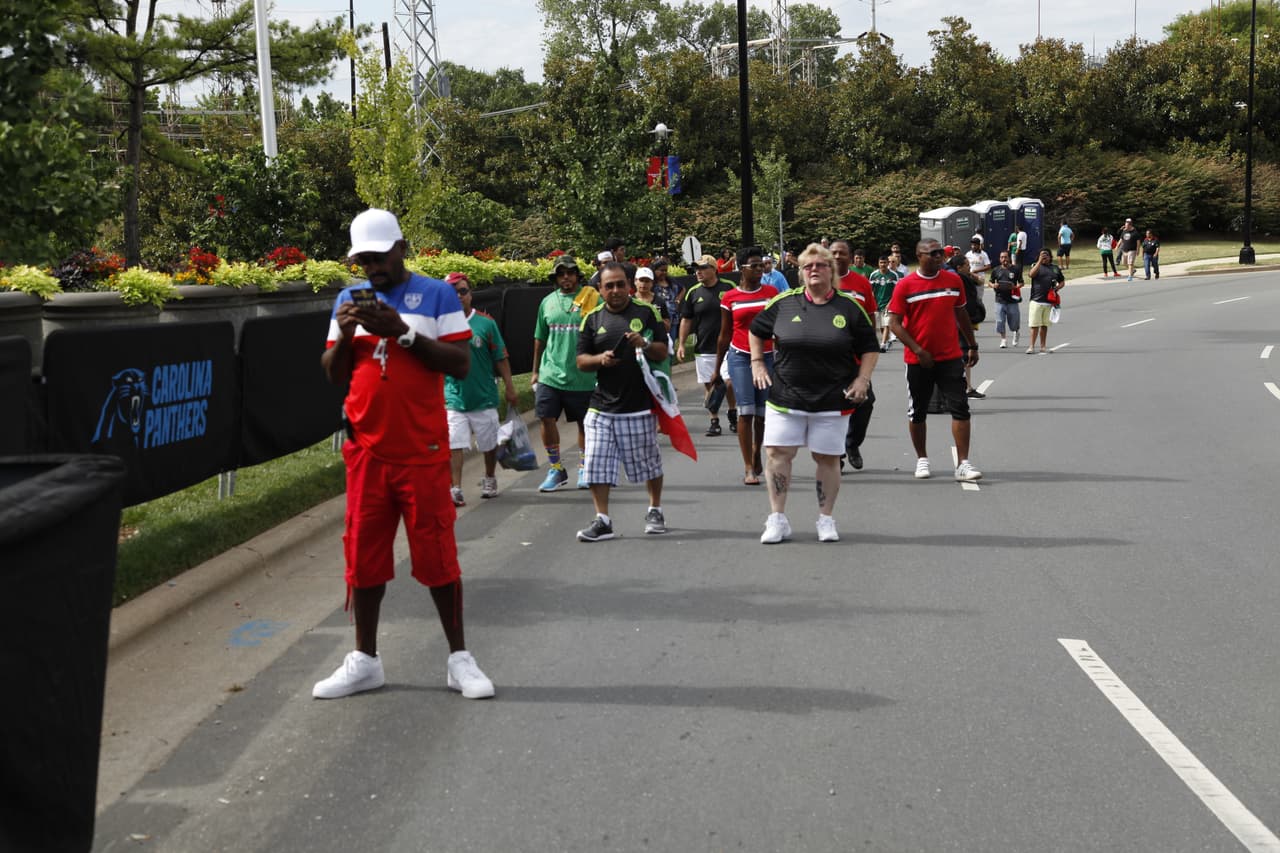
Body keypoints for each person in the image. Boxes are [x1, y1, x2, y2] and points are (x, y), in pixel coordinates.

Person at [315, 207, 493, 700]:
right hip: (367, 450)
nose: (371, 267)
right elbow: (333, 373)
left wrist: (403, 332)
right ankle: (365, 660)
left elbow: (458, 363)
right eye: (362, 259)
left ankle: (459, 659)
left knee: (437, 555)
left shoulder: (436, 294)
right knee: (364, 556)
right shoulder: (349, 299)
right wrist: (348, 333)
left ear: (401, 248)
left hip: (423, 448)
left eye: (378, 257)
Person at [749, 242, 879, 544]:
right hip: (786, 396)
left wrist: (863, 380)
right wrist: (757, 362)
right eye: (808, 266)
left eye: (820, 265)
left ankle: (825, 519)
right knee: (778, 454)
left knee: (827, 458)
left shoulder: (848, 306)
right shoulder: (784, 302)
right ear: (801, 273)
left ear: (831, 271)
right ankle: (777, 519)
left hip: (832, 398)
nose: (814, 271)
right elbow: (756, 330)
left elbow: (869, 346)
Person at [574, 262, 670, 542]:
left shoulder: (646, 312)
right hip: (601, 405)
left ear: (629, 285)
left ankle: (655, 509)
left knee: (649, 464)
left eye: (619, 284)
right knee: (596, 463)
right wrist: (599, 359)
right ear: (600, 290)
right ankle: (602, 520)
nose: (615, 290)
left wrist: (645, 345)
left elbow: (662, 350)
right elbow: (581, 361)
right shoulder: (591, 319)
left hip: (638, 405)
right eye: (609, 286)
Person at [886, 239, 983, 482]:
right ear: (919, 255)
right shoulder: (905, 286)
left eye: (940, 253)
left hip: (950, 357)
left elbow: (961, 313)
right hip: (918, 360)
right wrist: (918, 350)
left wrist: (972, 345)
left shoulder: (953, 281)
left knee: (960, 407)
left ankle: (963, 463)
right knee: (917, 411)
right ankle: (922, 458)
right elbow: (894, 324)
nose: (939, 257)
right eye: (933, 254)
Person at [443, 272, 519, 507]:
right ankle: (455, 488)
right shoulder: (440, 325)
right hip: (454, 397)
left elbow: (500, 357)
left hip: (484, 396)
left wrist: (509, 386)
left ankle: (489, 478)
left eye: (463, 291)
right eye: (452, 292)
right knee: (454, 444)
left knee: (488, 445)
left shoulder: (485, 323)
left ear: (470, 294)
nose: (458, 297)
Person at [532, 255, 599, 492]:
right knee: (545, 418)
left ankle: (583, 467)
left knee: (584, 424)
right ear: (556, 277)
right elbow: (540, 338)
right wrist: (535, 371)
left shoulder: (592, 298)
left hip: (583, 375)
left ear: (577, 276)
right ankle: (556, 468)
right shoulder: (547, 302)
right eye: (561, 274)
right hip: (550, 373)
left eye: (570, 273)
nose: (566, 277)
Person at [715, 246, 779, 485]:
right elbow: (724, 335)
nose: (760, 270)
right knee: (746, 411)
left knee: (763, 414)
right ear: (740, 269)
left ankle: (756, 449)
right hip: (740, 357)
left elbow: (779, 328)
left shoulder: (771, 293)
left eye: (761, 265)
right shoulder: (730, 297)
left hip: (768, 356)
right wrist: (716, 369)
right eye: (754, 266)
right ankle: (749, 467)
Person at [832, 240, 879, 471]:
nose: (838, 256)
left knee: (866, 402)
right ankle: (836, 453)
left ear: (851, 257)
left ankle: (852, 444)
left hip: (856, 356)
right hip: (828, 356)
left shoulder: (861, 283)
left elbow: (870, 315)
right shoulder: (821, 281)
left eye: (842, 253)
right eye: (833, 253)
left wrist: (871, 343)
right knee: (833, 406)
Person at [677, 255, 736, 437]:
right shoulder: (693, 293)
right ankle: (714, 420)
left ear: (713, 269)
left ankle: (733, 412)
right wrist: (681, 344)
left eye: (702, 268)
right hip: (704, 347)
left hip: (728, 346)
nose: (698, 272)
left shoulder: (728, 288)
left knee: (728, 382)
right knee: (709, 386)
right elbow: (686, 320)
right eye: (696, 269)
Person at [947, 254, 987, 399]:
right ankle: (964, 387)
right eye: (967, 265)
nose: (970, 267)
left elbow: (981, 282)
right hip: (959, 323)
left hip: (956, 322)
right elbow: (966, 304)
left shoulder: (961, 277)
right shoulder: (958, 280)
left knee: (963, 355)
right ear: (959, 267)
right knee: (964, 354)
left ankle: (967, 387)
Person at [633, 266, 672, 376]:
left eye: (647, 281)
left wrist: (655, 316)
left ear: (652, 283)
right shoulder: (630, 301)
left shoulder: (659, 301)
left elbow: (668, 326)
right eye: (641, 280)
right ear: (635, 281)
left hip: (657, 343)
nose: (643, 284)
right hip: (637, 345)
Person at [1026, 248, 1065, 354]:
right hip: (1036, 300)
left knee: (1044, 325)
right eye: (1042, 255)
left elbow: (1062, 281)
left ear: (1050, 257)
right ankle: (1031, 346)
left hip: (1049, 301)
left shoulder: (1055, 268)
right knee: (1034, 325)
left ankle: (1043, 346)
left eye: (1046, 255)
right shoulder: (1035, 266)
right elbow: (1031, 275)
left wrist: (1056, 288)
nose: (1044, 257)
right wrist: (1039, 261)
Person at [989, 250, 1023, 348]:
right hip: (999, 299)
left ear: (1009, 258)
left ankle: (1016, 332)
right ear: (1000, 259)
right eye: (1002, 257)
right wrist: (993, 285)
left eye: (1006, 257)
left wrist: (1015, 287)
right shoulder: (996, 270)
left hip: (1012, 300)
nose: (1004, 259)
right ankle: (1003, 339)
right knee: (1000, 321)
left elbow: (1021, 282)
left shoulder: (1015, 269)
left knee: (1014, 322)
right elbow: (990, 282)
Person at [649, 257, 682, 347]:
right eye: (661, 270)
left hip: (673, 319)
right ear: (654, 270)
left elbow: (682, 289)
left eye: (665, 270)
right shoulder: (651, 284)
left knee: (671, 345)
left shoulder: (671, 282)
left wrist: (678, 300)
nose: (664, 273)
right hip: (658, 320)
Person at [869, 254, 899, 351]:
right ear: (878, 264)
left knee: (886, 324)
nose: (883, 264)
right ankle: (887, 340)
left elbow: (896, 292)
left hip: (888, 305)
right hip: (877, 304)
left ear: (888, 263)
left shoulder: (894, 275)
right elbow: (871, 291)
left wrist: (890, 303)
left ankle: (882, 344)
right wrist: (874, 303)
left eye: (885, 262)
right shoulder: (874, 275)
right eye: (881, 262)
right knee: (881, 326)